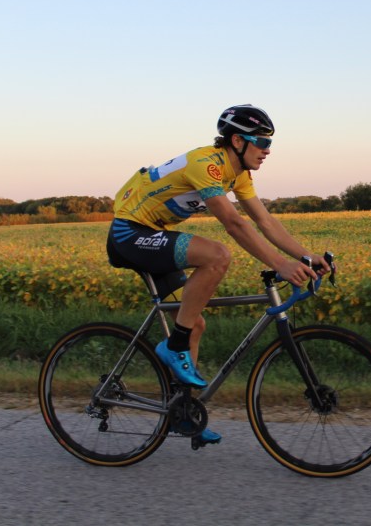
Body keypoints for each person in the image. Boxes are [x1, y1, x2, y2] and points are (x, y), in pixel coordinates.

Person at [106, 104, 330, 443]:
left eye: (270, 143)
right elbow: (233, 223)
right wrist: (280, 265)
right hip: (129, 232)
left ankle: (181, 412)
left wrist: (305, 256)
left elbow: (265, 221)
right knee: (217, 255)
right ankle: (174, 347)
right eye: (262, 142)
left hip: (154, 234)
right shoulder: (207, 164)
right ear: (237, 140)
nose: (267, 151)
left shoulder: (238, 175)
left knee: (194, 322)